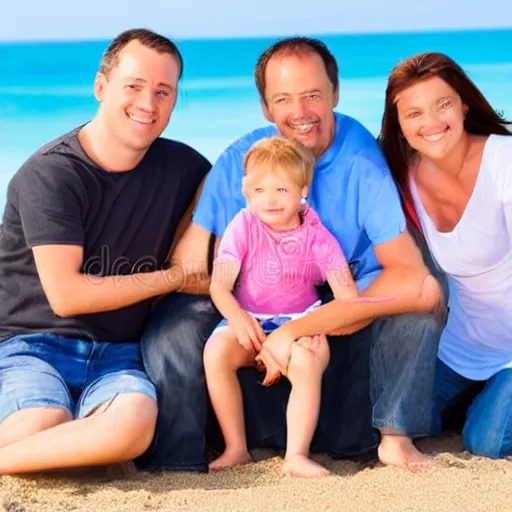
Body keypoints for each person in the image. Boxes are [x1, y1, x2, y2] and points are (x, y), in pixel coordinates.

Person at [140, 36, 443, 473]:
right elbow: (187, 266)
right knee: (173, 329)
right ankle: (179, 459)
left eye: (313, 96)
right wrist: (246, 312)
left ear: (335, 94)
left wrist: (300, 326)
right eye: (283, 99)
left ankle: (386, 437)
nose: (300, 112)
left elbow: (408, 275)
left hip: (343, 302)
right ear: (266, 108)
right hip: (253, 297)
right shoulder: (245, 160)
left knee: (419, 302)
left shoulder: (361, 163)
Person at [0, 29, 211, 475]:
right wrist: (175, 276)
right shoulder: (52, 174)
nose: (148, 104)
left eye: (163, 91)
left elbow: (244, 192)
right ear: (101, 87)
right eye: (133, 87)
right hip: (32, 346)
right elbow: (68, 297)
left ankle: (67, 444)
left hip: (118, 353)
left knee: (133, 425)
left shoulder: (186, 168)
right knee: (42, 420)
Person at [205, 136, 380, 477]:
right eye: (259, 191)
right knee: (215, 352)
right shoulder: (242, 225)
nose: (269, 200)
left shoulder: (318, 237)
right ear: (245, 191)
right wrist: (237, 318)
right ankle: (236, 446)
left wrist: (310, 328)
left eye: (281, 190)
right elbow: (219, 285)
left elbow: (347, 297)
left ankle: (296, 455)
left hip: (302, 320)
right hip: (251, 319)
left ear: (303, 190)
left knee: (306, 360)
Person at [379, 51, 512, 459]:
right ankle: (483, 401)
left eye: (442, 105)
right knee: (382, 424)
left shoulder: (503, 160)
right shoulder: (402, 173)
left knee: (486, 444)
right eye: (414, 113)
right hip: (457, 349)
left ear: (464, 104)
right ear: (399, 124)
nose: (431, 123)